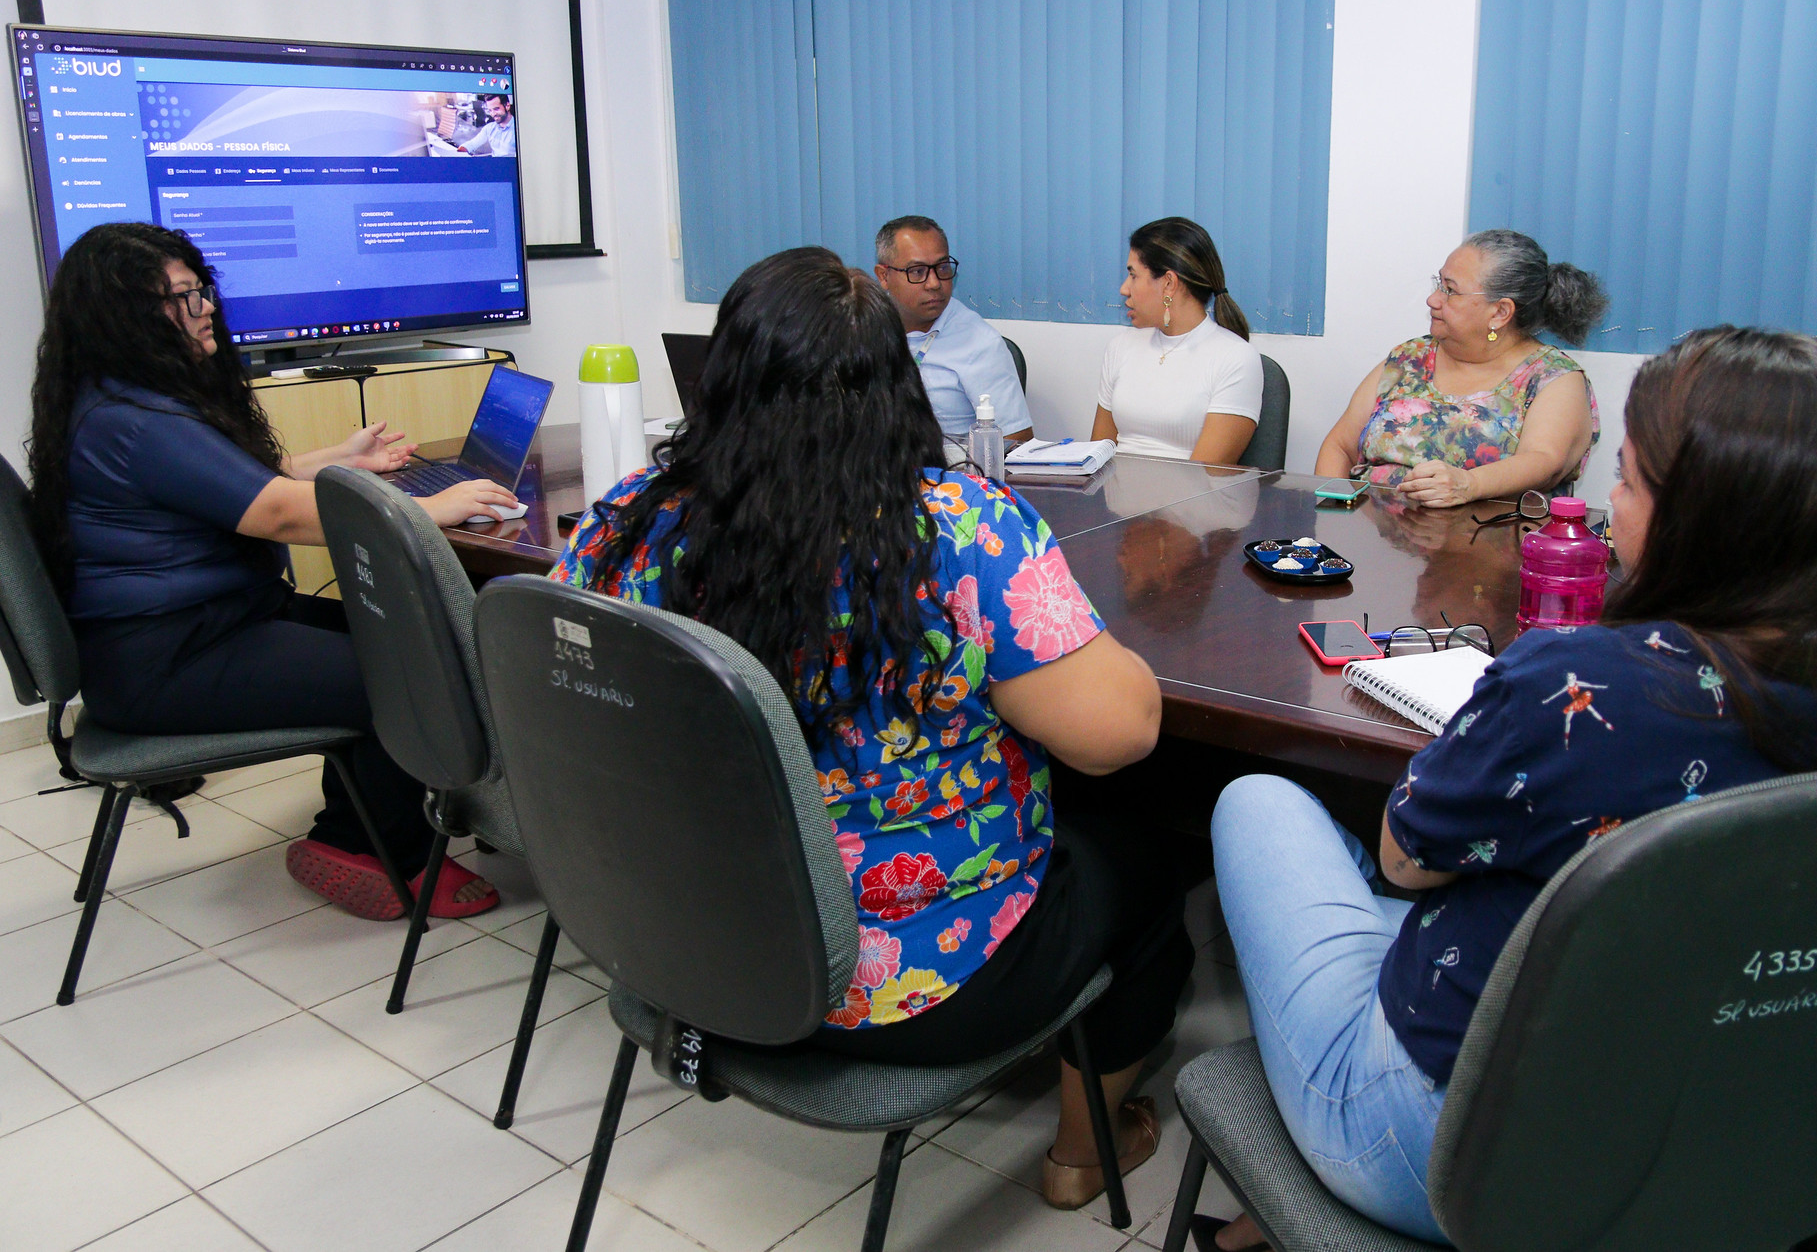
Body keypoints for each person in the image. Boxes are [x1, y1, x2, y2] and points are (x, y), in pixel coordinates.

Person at [1199, 327, 1817, 1249]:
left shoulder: (1576, 682)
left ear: (1703, 522)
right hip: (1738, 1134)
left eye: (1628, 481)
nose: (1609, 506)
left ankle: (1292, 1186)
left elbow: (1406, 861)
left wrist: (1490, 738)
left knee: (1262, 803)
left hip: (1465, 1161)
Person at [551, 245, 1191, 1210]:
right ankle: (1080, 1155)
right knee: (1149, 862)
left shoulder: (630, 520)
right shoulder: (959, 529)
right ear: (897, 386)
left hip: (690, 936)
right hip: (902, 981)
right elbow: (1120, 733)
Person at [27, 223, 520, 919]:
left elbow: (232, 479)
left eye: (201, 290)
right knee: (405, 677)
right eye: (181, 297)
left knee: (413, 639)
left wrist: (339, 459)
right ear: (124, 316)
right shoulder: (135, 421)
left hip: (198, 629)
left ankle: (363, 827)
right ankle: (378, 852)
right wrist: (432, 509)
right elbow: (278, 514)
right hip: (169, 658)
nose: (204, 308)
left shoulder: (120, 399)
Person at [1315, 229, 1604, 505]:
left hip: (1487, 537)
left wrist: (1469, 484)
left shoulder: (1552, 378)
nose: (1433, 299)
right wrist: (1331, 516)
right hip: (1369, 533)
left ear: (1500, 312)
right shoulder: (1408, 359)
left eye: (1451, 290)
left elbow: (1545, 461)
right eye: (1439, 284)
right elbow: (1340, 446)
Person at [1093, 217, 1263, 463]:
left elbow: (1203, 475)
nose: (1124, 289)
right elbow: (1097, 455)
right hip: (1115, 487)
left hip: (1187, 488)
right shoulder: (1121, 346)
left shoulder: (1236, 358)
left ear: (1169, 283)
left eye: (1133, 276)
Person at [873, 215, 1032, 441]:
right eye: (917, 271)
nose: (934, 283)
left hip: (946, 462)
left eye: (942, 268)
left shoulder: (980, 344)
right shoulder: (863, 329)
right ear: (884, 276)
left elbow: (1016, 442)